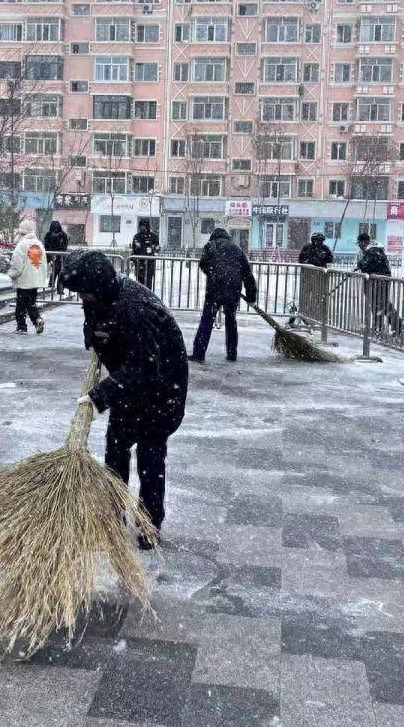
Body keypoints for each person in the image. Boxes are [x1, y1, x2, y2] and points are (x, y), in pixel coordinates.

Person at [61, 250, 188, 544]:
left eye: (86, 294)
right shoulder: (100, 297)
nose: (84, 299)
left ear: (100, 288)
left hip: (162, 389)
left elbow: (144, 366)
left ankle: (149, 525)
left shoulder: (136, 309)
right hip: (129, 386)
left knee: (150, 455)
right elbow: (94, 320)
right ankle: (111, 516)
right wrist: (93, 337)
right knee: (115, 448)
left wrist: (99, 396)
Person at [190, 227, 258, 363]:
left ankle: (199, 353)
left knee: (207, 320)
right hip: (233, 290)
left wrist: (214, 273)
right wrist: (251, 296)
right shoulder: (237, 249)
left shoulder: (210, 245)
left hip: (214, 289)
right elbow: (248, 274)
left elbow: (203, 264)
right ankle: (232, 354)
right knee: (231, 321)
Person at [357, 232, 404, 337]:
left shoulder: (373, 252)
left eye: (360, 243)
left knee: (380, 305)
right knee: (382, 305)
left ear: (364, 242)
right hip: (379, 282)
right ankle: (391, 326)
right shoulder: (375, 251)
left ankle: (387, 327)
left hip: (378, 282)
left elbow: (366, 266)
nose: (359, 246)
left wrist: (360, 263)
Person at [9, 218, 48, 334]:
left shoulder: (21, 245)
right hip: (35, 281)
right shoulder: (39, 244)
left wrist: (12, 274)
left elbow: (17, 265)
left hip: (24, 280)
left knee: (21, 305)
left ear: (22, 233)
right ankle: (37, 320)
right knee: (30, 303)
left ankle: (22, 326)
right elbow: (44, 263)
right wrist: (43, 277)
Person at [131, 219, 161, 290]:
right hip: (139, 263)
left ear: (147, 226)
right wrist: (132, 259)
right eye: (141, 226)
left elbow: (158, 247)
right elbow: (134, 249)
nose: (142, 228)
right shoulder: (137, 236)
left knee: (148, 283)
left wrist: (152, 248)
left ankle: (147, 297)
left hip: (149, 263)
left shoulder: (153, 236)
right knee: (139, 282)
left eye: (144, 226)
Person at [43, 219, 69, 292]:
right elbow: (65, 245)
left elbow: (46, 245)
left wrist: (49, 254)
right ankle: (59, 289)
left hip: (53, 255)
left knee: (54, 271)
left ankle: (51, 286)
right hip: (60, 256)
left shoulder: (48, 234)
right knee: (60, 272)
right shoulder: (63, 234)